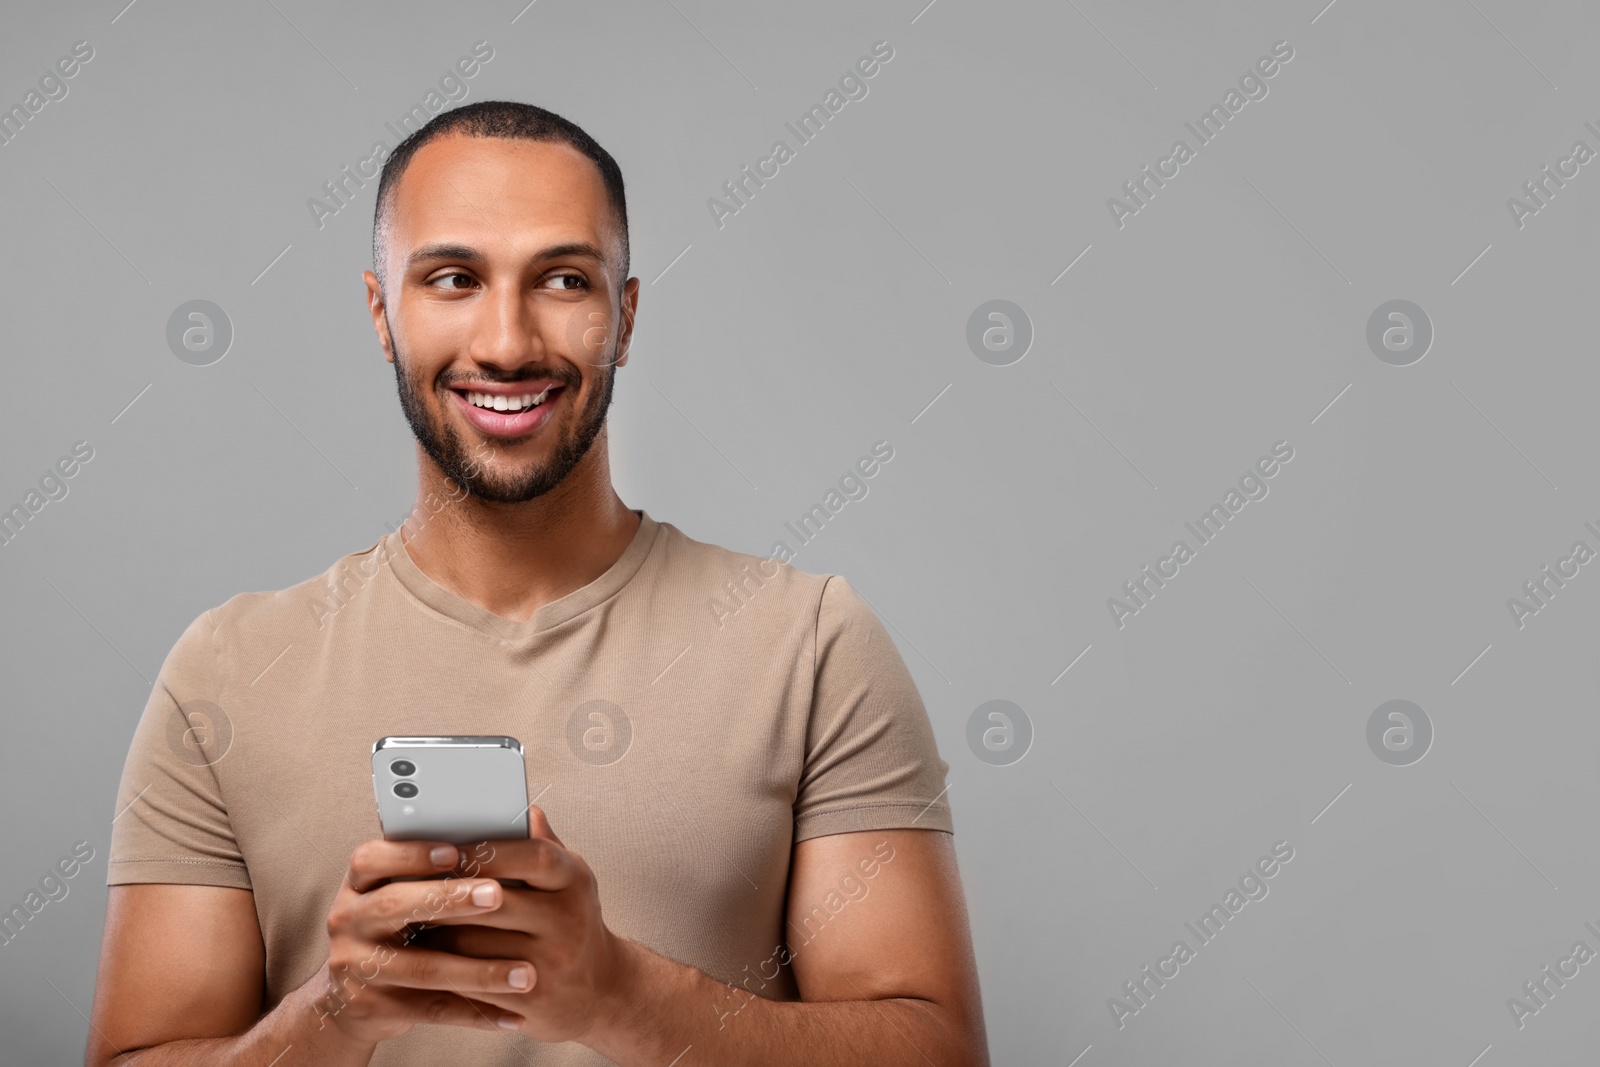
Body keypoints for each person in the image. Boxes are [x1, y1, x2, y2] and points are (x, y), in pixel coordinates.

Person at [86, 100, 988, 1067]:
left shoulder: (812, 645)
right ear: (381, 313)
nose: (508, 342)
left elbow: (938, 1052)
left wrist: (616, 994)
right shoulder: (226, 672)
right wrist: (335, 1013)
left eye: (563, 279)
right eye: (453, 279)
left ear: (625, 318)